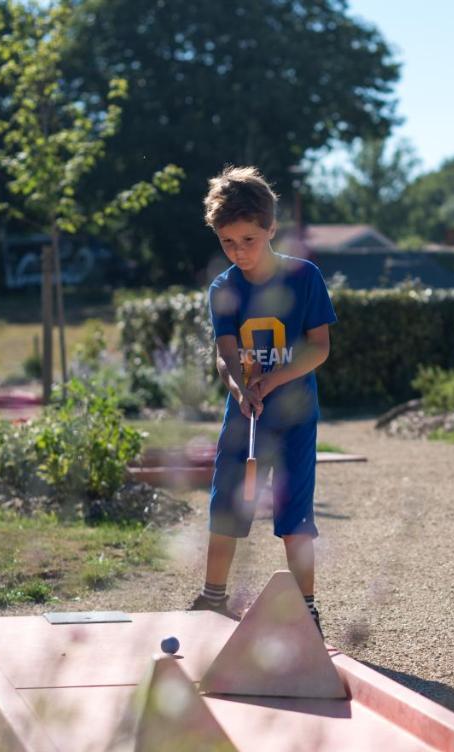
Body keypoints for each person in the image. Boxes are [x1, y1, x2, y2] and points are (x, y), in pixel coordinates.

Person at [186, 166, 337, 635]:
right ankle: (213, 599)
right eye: (228, 242)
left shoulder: (304, 278)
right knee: (227, 507)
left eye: (248, 240)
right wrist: (237, 387)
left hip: (294, 417)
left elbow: (319, 346)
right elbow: (224, 352)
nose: (239, 252)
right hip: (244, 418)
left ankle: (307, 610)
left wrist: (271, 382)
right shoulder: (224, 288)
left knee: (296, 512)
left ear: (271, 228)